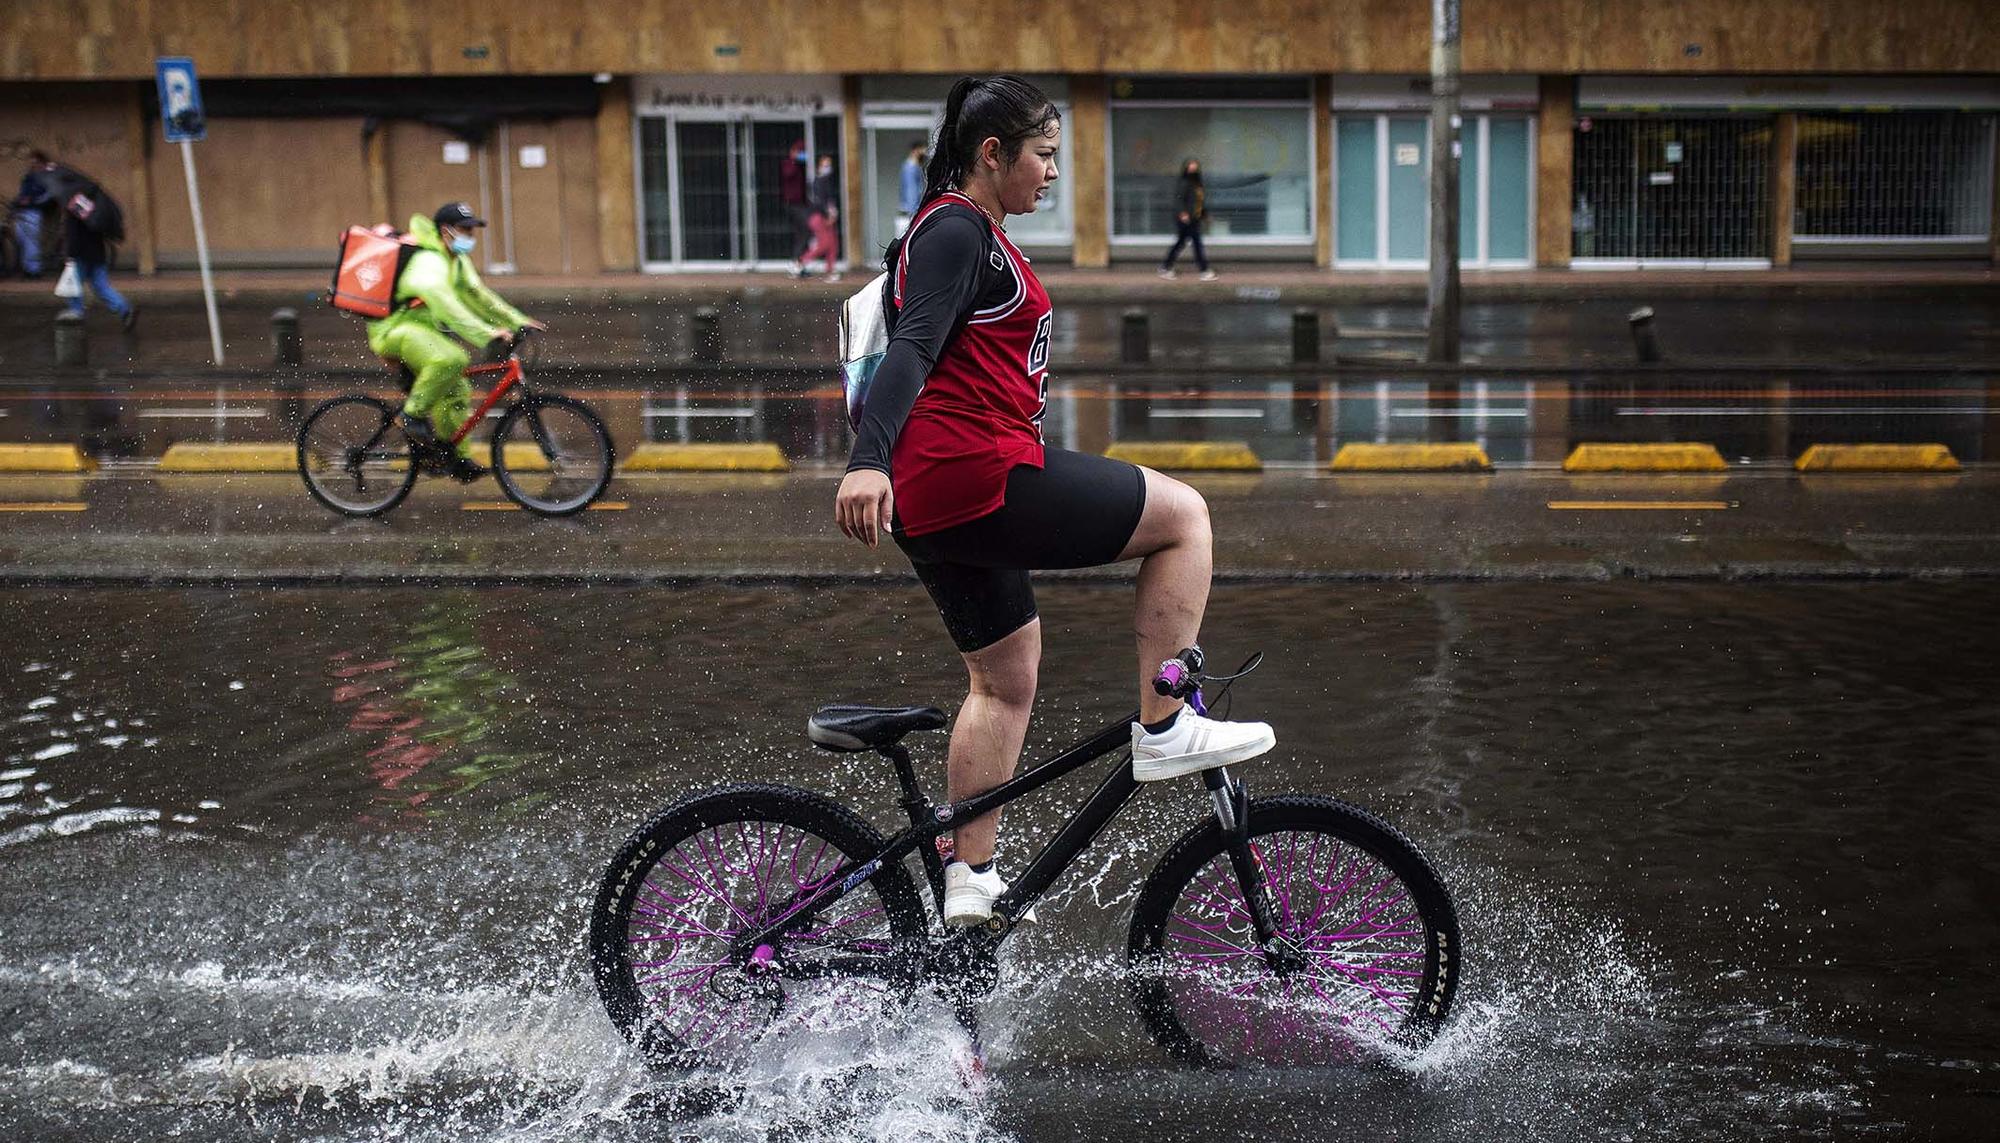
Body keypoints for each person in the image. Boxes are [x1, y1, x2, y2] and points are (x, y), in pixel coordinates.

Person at [834, 76, 1273, 927]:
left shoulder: (957, 230)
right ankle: (1166, 720)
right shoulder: (959, 228)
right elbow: (913, 348)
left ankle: (969, 873)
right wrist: (866, 460)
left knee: (1005, 679)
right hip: (974, 471)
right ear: (991, 154)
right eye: (1043, 156)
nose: (1053, 174)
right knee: (1183, 519)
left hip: (941, 493)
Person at [364, 202, 543, 483]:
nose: (470, 236)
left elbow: (477, 295)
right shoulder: (428, 261)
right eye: (465, 230)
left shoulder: (455, 261)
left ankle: (453, 458)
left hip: (421, 330)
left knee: (457, 388)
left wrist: (516, 321)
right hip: (394, 329)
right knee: (451, 358)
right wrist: (486, 334)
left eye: (473, 230)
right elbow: (446, 305)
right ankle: (411, 416)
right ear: (445, 231)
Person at [60, 179, 135, 331]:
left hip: (80, 254)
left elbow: (73, 235)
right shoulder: (98, 209)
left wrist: (70, 255)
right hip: (97, 253)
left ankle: (76, 316)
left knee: (74, 288)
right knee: (101, 286)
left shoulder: (74, 208)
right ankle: (124, 308)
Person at [1159, 158, 1217, 281]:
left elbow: (1199, 202)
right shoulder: (1184, 182)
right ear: (1186, 169)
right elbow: (1178, 199)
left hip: (1194, 218)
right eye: (1190, 168)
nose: (1193, 170)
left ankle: (1165, 267)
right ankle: (1204, 270)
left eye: (1195, 168)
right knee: (1196, 243)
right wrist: (1182, 213)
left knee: (1181, 242)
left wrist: (1205, 214)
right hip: (1186, 219)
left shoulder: (1197, 184)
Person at [12, 151, 66, 280]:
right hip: (23, 211)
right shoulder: (29, 177)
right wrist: (19, 201)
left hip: (34, 211)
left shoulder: (47, 177)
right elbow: (22, 194)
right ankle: (26, 268)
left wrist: (32, 200)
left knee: (31, 241)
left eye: (35, 162)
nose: (33, 165)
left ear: (42, 162)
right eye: (31, 162)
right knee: (21, 239)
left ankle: (34, 270)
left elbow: (49, 195)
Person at [798, 154, 842, 281]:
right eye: (825, 165)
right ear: (819, 166)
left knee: (833, 244)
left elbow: (829, 201)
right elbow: (820, 202)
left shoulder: (827, 182)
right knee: (824, 243)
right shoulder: (819, 182)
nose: (827, 168)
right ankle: (802, 262)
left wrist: (832, 214)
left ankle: (830, 270)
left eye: (829, 165)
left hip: (826, 217)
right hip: (819, 217)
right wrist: (828, 214)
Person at [780, 138, 813, 274]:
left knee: (803, 232)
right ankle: (796, 261)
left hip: (801, 203)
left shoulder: (800, 167)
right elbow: (788, 174)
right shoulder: (789, 164)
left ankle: (799, 262)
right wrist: (794, 159)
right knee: (805, 230)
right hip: (793, 204)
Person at [895, 138, 926, 238]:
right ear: (915, 151)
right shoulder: (910, 168)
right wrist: (914, 216)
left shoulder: (914, 168)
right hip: (909, 217)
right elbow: (911, 193)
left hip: (909, 216)